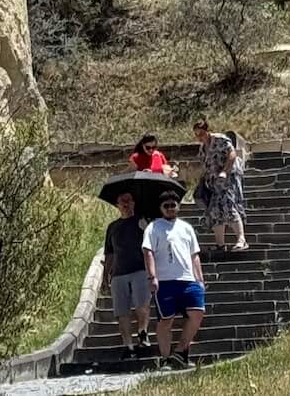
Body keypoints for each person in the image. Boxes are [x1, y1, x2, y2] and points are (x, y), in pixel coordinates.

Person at [145, 190, 207, 367]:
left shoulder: (186, 227)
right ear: (160, 208)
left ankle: (180, 351)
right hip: (165, 281)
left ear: (178, 206)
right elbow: (147, 251)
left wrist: (200, 279)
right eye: (167, 206)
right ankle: (165, 359)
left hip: (188, 279)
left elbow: (195, 254)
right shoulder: (154, 227)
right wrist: (152, 276)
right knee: (166, 320)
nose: (171, 208)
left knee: (197, 312)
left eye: (173, 205)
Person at [104, 190, 153, 355]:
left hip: (140, 269)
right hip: (119, 273)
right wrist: (105, 276)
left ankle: (143, 332)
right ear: (117, 205)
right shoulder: (112, 227)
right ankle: (128, 345)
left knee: (142, 305)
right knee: (122, 311)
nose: (126, 204)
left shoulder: (142, 221)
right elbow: (109, 253)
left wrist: (145, 227)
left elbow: (151, 243)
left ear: (133, 203)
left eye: (129, 200)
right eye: (122, 201)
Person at [193, 117, 248, 250]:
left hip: (227, 180)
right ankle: (220, 244)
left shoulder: (220, 139)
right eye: (196, 135)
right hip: (213, 184)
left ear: (208, 131)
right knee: (215, 212)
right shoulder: (202, 149)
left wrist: (225, 171)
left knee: (229, 207)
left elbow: (232, 154)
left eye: (201, 133)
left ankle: (242, 239)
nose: (199, 137)